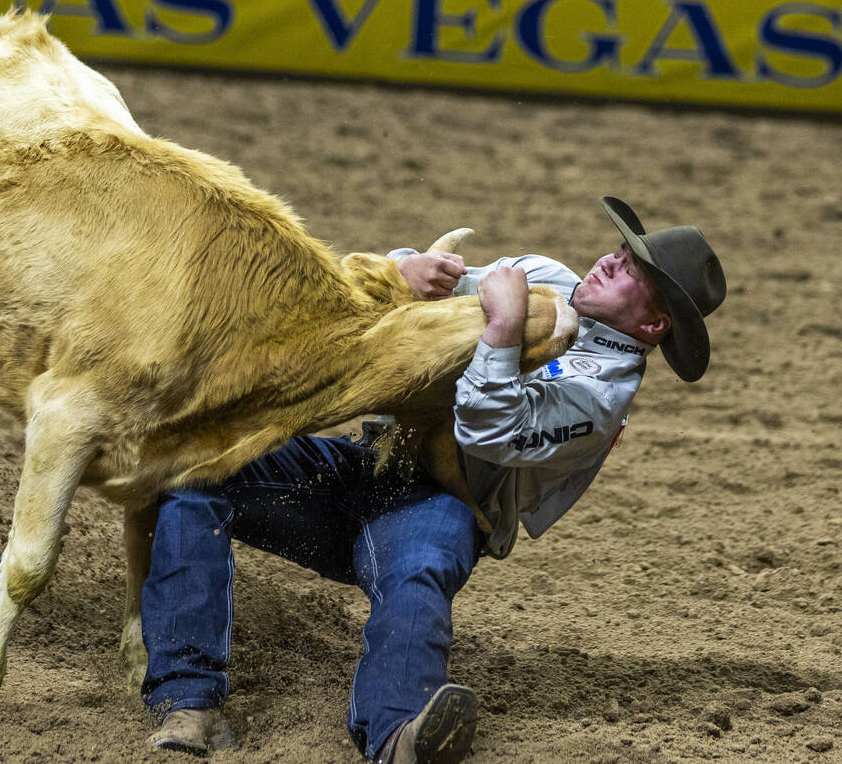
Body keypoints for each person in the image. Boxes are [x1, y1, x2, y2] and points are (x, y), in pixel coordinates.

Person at [139, 197, 726, 763]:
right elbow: (419, 308)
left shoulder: (601, 397)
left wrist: (502, 328)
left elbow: (489, 432)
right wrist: (407, 270)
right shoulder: (544, 276)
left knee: (417, 574)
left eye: (632, 271)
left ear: (652, 324)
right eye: (622, 250)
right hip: (371, 459)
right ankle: (187, 701)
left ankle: (397, 734)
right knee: (194, 468)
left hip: (444, 502)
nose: (610, 260)